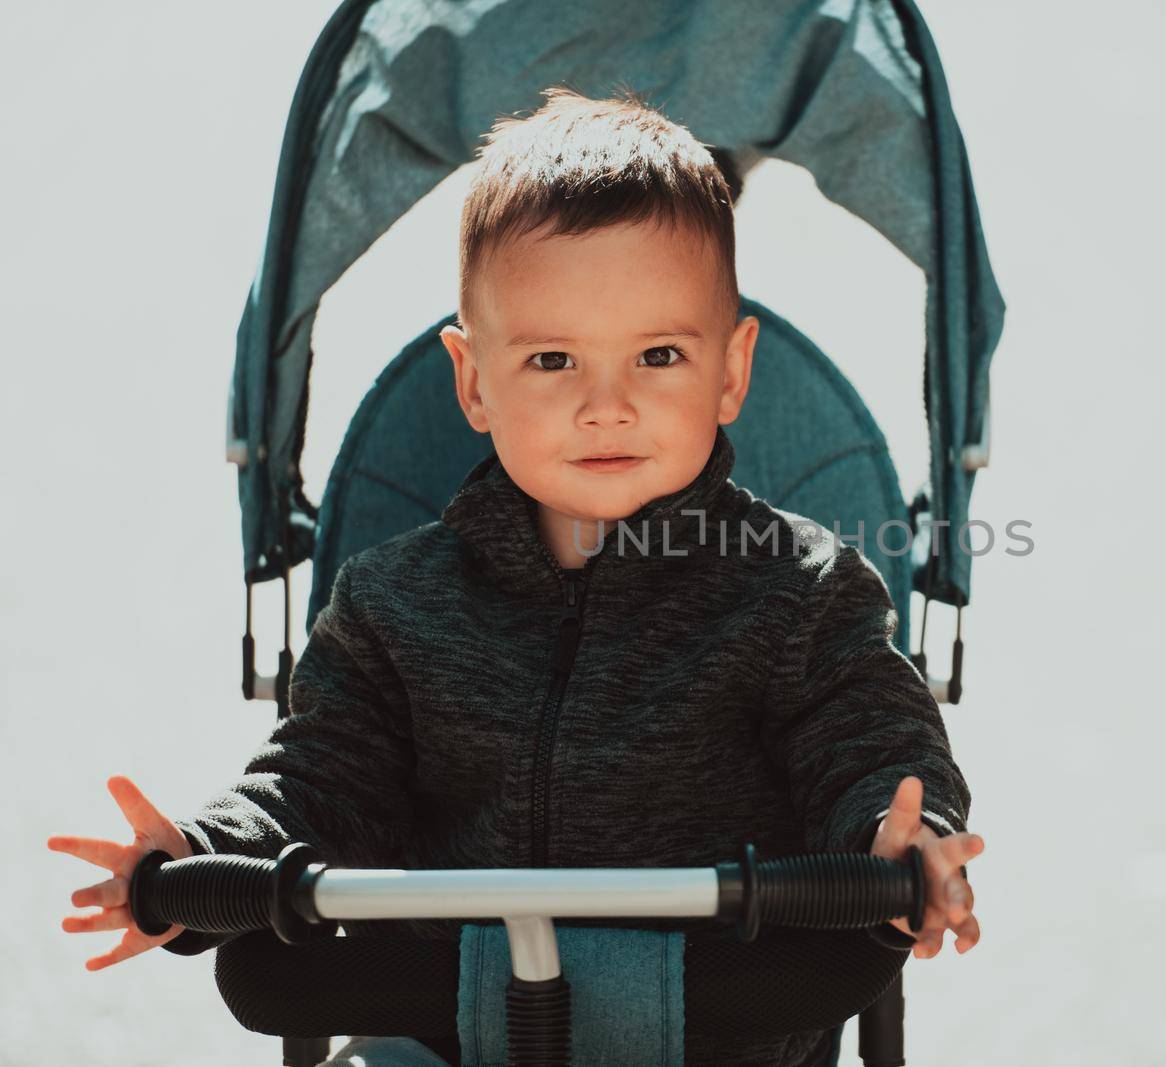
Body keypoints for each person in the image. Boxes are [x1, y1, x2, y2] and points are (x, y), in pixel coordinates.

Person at [46, 87, 985, 1067]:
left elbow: (868, 740)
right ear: (474, 382)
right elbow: (322, 779)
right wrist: (205, 855)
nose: (607, 404)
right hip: (444, 1017)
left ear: (731, 371)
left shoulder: (799, 590)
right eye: (552, 359)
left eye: (658, 355)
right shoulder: (390, 603)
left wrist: (897, 839)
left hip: (725, 1019)